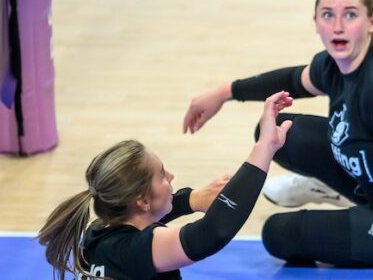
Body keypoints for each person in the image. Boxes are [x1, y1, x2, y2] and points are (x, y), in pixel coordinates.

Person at [183, 0, 373, 276]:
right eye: (328, 15)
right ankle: (344, 189)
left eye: (350, 15)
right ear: (316, 22)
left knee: (280, 234)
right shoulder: (335, 65)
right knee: (280, 130)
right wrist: (225, 92)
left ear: (371, 23)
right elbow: (293, 80)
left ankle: (366, 212)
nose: (338, 26)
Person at [38, 92, 294, 280]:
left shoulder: (97, 233)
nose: (171, 176)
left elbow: (148, 219)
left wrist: (191, 200)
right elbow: (212, 233)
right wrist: (265, 147)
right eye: (161, 175)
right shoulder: (133, 252)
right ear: (142, 201)